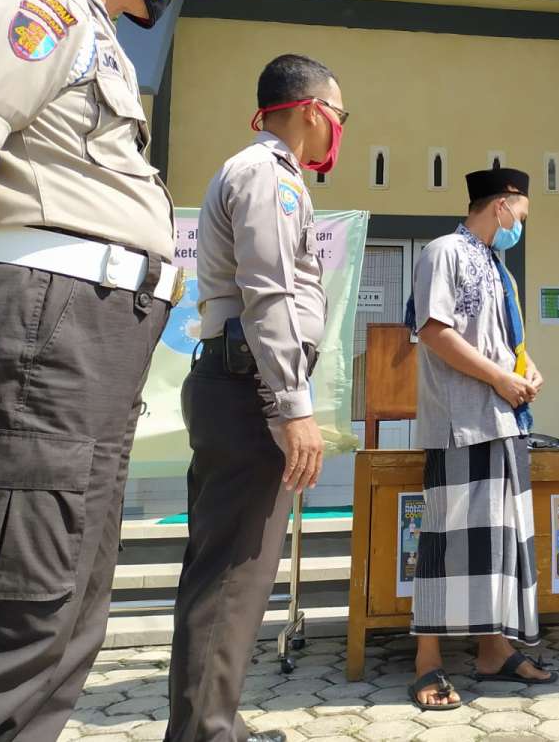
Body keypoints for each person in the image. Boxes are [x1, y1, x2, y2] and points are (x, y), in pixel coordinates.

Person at [0, 0, 218, 740]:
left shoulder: (98, 36)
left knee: (68, 612)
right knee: (25, 603)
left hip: (90, 339)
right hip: (50, 328)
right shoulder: (35, 3)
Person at [165, 54, 343, 742]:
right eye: (339, 114)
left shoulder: (262, 174)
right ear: (310, 109)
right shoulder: (269, 177)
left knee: (224, 572)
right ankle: (208, 734)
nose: (338, 129)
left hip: (239, 385)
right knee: (234, 576)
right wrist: (293, 408)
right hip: (250, 393)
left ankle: (208, 726)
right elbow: (268, 295)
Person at [407, 168, 554, 711]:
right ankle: (428, 662)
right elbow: (433, 330)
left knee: (496, 547)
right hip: (460, 422)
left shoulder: (498, 266)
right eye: (521, 215)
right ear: (502, 205)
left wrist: (526, 368)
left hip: (505, 421)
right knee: (446, 543)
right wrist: (497, 377)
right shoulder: (444, 251)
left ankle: (492, 650)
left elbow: (506, 344)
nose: (520, 225)